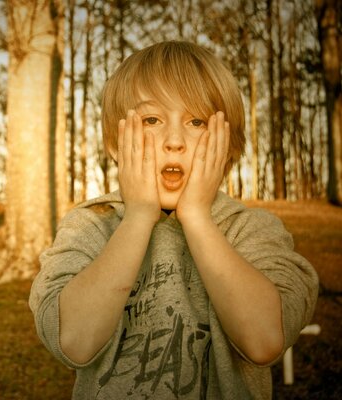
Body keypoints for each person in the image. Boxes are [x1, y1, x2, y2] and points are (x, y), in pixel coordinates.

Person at [28, 40, 319, 399]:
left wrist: (196, 216)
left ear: (228, 145)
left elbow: (264, 341)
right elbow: (73, 342)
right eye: (152, 119)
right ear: (117, 144)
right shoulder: (91, 224)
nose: (175, 141)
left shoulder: (252, 230)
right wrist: (137, 216)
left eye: (196, 121)